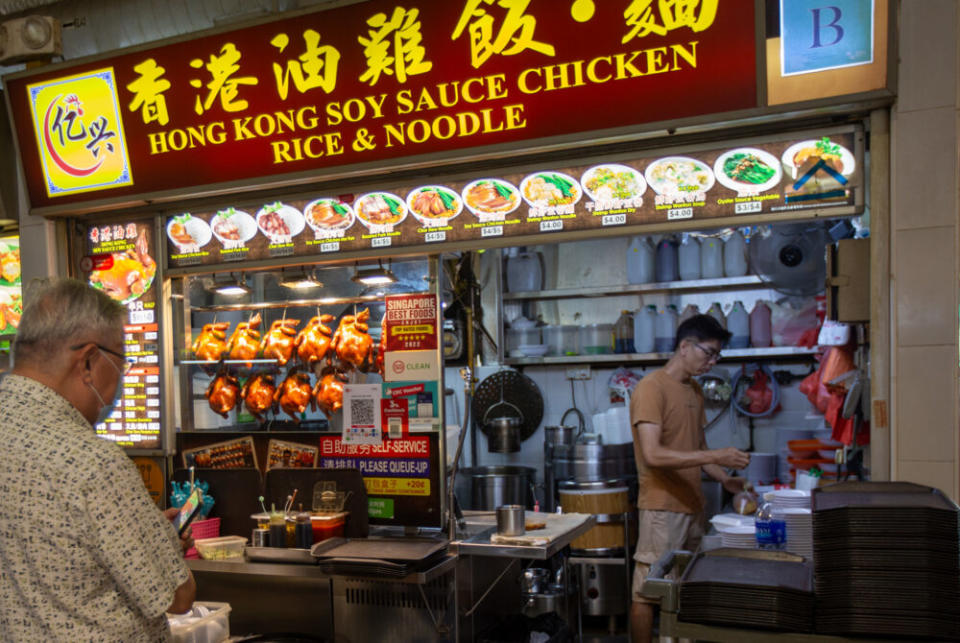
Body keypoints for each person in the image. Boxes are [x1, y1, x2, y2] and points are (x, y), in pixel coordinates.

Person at [0, 279, 195, 640]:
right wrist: (161, 540)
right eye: (121, 358)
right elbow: (176, 595)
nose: (122, 374)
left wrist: (141, 528)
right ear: (88, 361)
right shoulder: (91, 462)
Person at [629, 314, 750, 643]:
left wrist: (725, 479)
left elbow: (697, 447)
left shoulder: (694, 390)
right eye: (708, 352)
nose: (712, 361)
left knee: (680, 591)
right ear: (684, 346)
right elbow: (654, 455)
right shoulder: (651, 388)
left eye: (717, 355)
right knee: (647, 593)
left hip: (692, 506)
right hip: (661, 509)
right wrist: (715, 457)